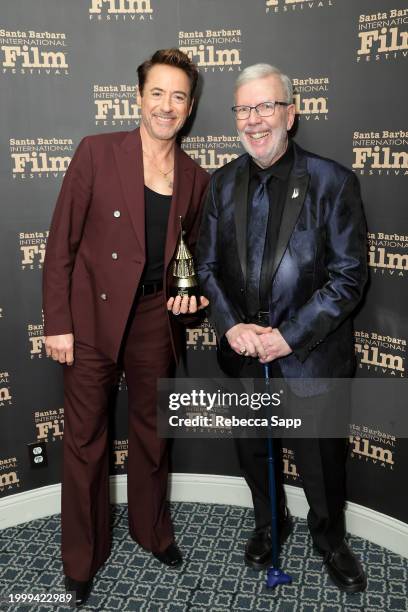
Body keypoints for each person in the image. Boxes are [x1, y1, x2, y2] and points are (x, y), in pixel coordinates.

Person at [43, 48, 210, 606]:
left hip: (152, 321)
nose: (166, 105)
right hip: (90, 320)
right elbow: (60, 245)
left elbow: (194, 259)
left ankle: (151, 531)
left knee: (152, 436)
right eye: (157, 93)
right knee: (86, 443)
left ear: (189, 109)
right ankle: (82, 559)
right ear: (138, 98)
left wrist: (192, 299)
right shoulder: (96, 153)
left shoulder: (195, 178)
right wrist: (59, 323)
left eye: (178, 96)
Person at [196, 63, 368, 592]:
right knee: (254, 452)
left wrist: (287, 336)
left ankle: (329, 538)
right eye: (244, 109)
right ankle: (270, 525)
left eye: (265, 106)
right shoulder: (221, 183)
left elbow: (348, 278)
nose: (254, 120)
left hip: (309, 356)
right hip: (244, 354)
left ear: (290, 114)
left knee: (322, 462)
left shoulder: (332, 182)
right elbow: (205, 267)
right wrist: (230, 327)